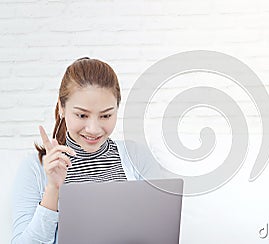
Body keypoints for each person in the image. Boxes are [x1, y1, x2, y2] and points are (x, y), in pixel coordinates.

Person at [11, 57, 160, 244]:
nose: (94, 129)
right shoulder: (34, 168)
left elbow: (161, 231)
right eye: (82, 115)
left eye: (106, 115)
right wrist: (53, 189)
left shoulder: (137, 157)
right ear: (62, 108)